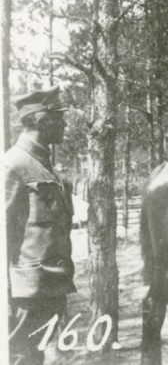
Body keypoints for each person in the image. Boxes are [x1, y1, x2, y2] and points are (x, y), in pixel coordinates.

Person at [5, 85, 75, 365]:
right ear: (43, 121)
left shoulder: (42, 163)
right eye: (60, 117)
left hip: (52, 284)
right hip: (27, 292)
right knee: (24, 358)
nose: (65, 123)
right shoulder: (13, 164)